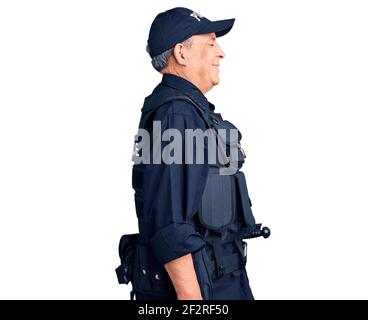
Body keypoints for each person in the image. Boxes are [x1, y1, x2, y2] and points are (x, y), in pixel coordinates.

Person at [124, 7, 269, 300]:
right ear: (181, 53)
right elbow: (169, 225)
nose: (221, 53)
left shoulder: (188, 111)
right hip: (204, 288)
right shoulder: (176, 114)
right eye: (211, 42)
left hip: (220, 280)